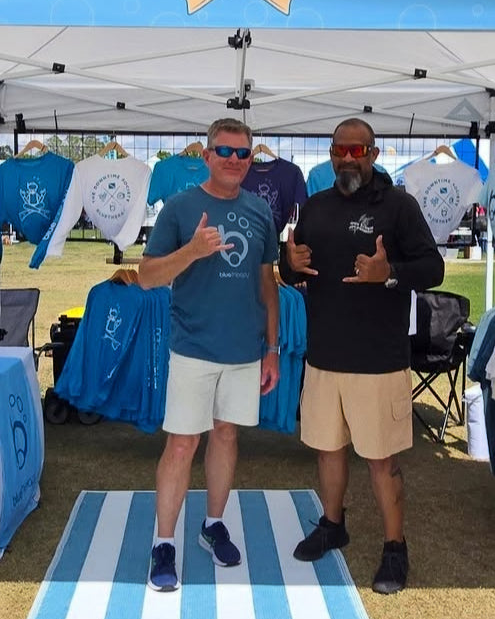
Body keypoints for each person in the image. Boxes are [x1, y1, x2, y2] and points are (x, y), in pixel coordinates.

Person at [280, 118, 444, 594]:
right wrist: (287, 265)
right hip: (324, 357)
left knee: (379, 460)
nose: (347, 158)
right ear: (331, 154)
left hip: (378, 361)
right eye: (339, 150)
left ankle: (395, 548)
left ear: (373, 154)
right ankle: (333, 524)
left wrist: (388, 272)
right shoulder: (315, 206)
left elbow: (432, 267)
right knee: (328, 449)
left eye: (357, 150)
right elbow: (292, 270)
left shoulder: (398, 206)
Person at [138, 120, 280, 592]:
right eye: (225, 150)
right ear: (207, 154)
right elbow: (147, 277)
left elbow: (267, 285)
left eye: (244, 154)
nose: (235, 160)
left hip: (244, 351)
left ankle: (212, 524)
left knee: (225, 436)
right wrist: (192, 252)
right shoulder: (180, 208)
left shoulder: (261, 212)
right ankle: (164, 543)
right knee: (182, 444)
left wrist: (273, 348)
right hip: (194, 349)